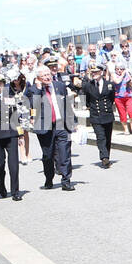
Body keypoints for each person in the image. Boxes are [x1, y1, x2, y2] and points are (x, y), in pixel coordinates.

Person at [27, 58, 78, 192]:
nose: (47, 77)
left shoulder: (59, 86)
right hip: (45, 127)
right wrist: (38, 89)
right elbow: (34, 105)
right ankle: (49, 179)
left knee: (65, 153)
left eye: (48, 74)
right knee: (48, 155)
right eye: (43, 76)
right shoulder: (33, 90)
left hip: (62, 124)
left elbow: (67, 104)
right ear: (38, 78)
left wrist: (74, 121)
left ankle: (66, 181)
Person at [82, 66, 117, 168]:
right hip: (95, 115)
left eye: (96, 72)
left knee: (107, 137)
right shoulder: (88, 86)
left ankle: (107, 156)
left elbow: (112, 98)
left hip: (107, 114)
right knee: (100, 136)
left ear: (101, 72)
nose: (94, 74)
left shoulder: (109, 84)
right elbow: (86, 99)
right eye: (92, 72)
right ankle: (104, 157)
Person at [112, 60, 132, 135]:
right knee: (122, 113)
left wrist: (130, 81)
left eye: (121, 69)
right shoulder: (114, 75)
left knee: (131, 111)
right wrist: (122, 75)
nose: (119, 70)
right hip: (118, 97)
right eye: (117, 69)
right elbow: (117, 82)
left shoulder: (127, 74)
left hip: (128, 96)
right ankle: (125, 128)